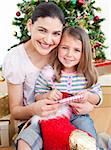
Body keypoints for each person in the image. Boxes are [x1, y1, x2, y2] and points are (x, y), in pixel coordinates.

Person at [16, 26, 102, 149]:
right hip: (52, 114)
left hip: (78, 115)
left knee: (89, 140)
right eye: (65, 48)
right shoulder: (49, 72)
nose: (69, 54)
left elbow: (98, 98)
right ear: (57, 49)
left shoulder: (88, 74)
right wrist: (47, 95)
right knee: (30, 138)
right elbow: (38, 94)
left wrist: (88, 96)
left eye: (77, 50)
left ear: (84, 53)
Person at [3, 2, 65, 150]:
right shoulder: (15, 58)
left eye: (56, 33)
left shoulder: (62, 52)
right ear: (30, 26)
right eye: (42, 30)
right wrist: (34, 109)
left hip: (63, 117)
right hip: (30, 122)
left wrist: (89, 102)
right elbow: (15, 111)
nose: (48, 40)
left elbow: (85, 83)